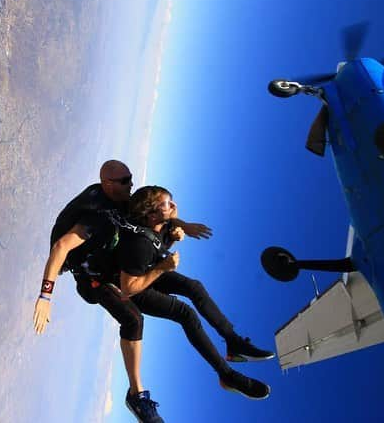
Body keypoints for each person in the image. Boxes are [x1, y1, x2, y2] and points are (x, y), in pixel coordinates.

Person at [34, 160, 210, 422]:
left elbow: (151, 211)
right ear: (108, 184)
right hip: (93, 278)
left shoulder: (120, 198)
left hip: (109, 262)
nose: (131, 184)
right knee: (133, 319)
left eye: (131, 178)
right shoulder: (96, 214)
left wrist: (180, 224)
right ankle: (137, 396)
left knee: (150, 270)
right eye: (126, 180)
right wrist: (45, 296)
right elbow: (61, 247)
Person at [115, 185, 274, 401]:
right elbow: (127, 289)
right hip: (138, 288)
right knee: (186, 314)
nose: (174, 206)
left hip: (150, 269)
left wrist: (179, 228)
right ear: (152, 215)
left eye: (172, 201)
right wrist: (163, 268)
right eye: (167, 204)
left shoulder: (157, 223)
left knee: (194, 287)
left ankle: (233, 342)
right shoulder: (139, 244)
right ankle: (226, 375)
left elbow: (169, 222)